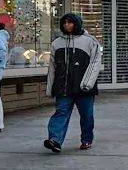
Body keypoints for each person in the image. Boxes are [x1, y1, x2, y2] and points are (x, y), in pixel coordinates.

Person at [44, 13, 104, 153]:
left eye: (70, 22)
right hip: (63, 87)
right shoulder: (56, 43)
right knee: (61, 112)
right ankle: (55, 140)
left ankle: (86, 139)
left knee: (87, 116)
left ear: (76, 23)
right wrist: (50, 87)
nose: (67, 25)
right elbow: (52, 67)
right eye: (64, 23)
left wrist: (87, 83)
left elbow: (95, 63)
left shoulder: (90, 41)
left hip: (84, 88)